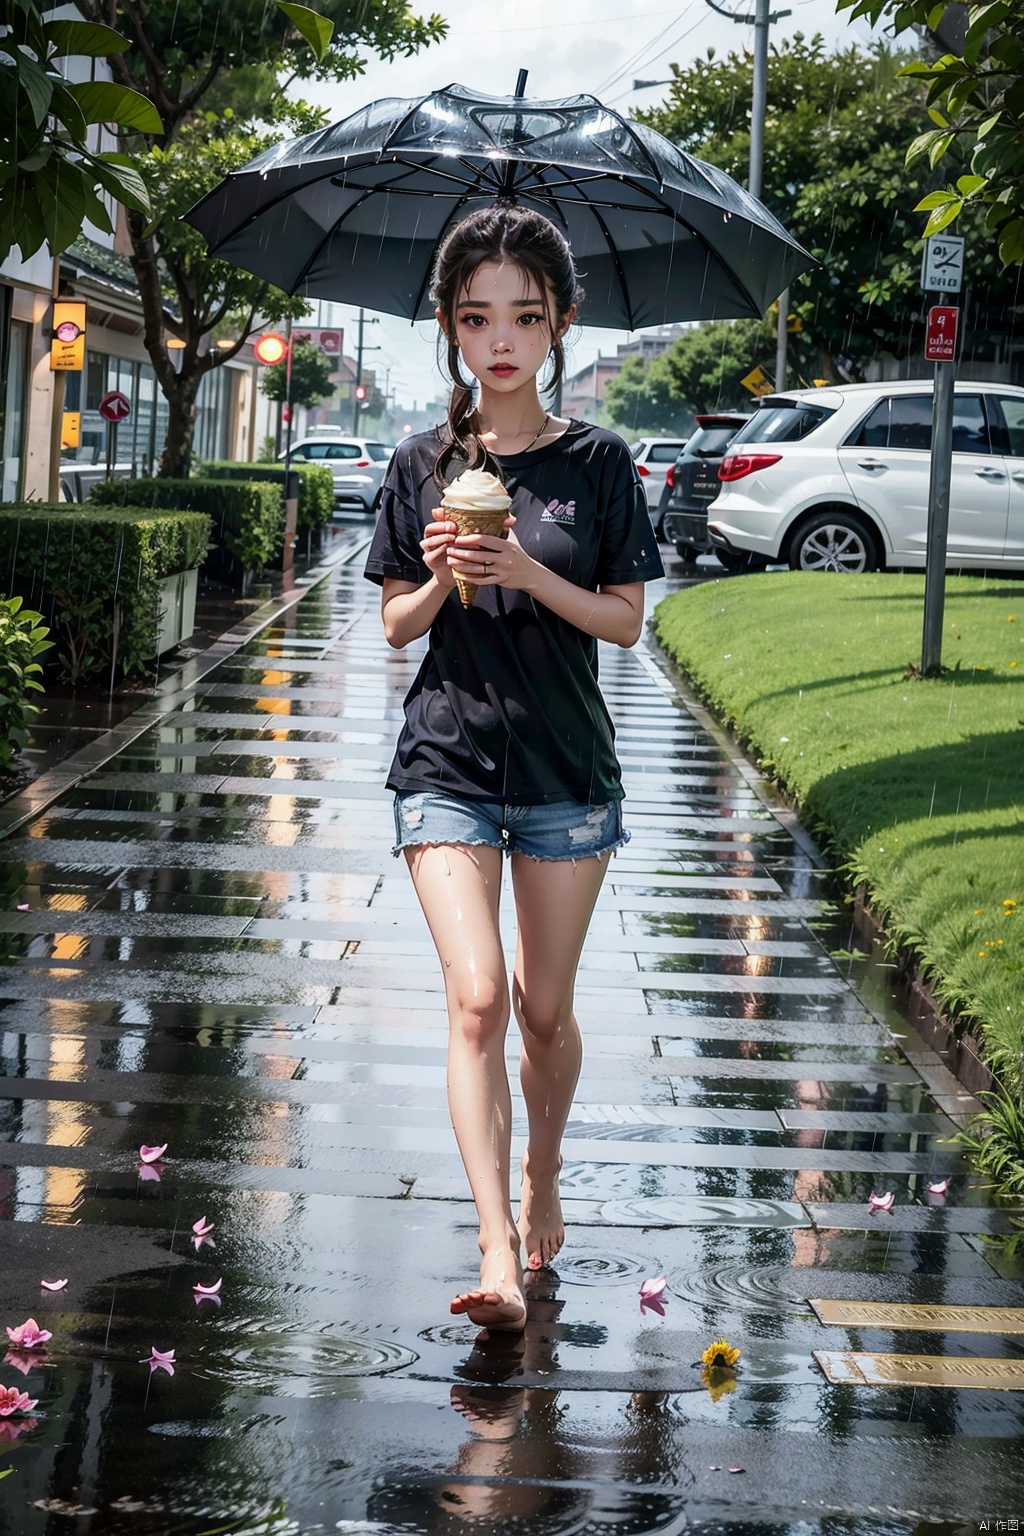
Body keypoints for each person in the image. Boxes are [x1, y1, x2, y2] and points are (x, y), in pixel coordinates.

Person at [363, 202, 664, 1332]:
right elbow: (397, 625)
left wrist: (532, 577)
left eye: (525, 318)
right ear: (448, 327)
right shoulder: (422, 463)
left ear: (559, 327)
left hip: (564, 770)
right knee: (478, 1000)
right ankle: (494, 1245)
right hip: (445, 756)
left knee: (544, 1013)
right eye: (478, 316)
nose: (501, 340)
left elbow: (626, 622)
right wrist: (445, 575)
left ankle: (543, 1171)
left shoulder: (596, 462)